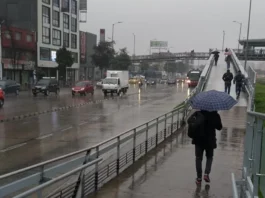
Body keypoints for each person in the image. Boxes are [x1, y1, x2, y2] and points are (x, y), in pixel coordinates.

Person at [192, 110, 223, 185]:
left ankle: (199, 178)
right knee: (209, 157)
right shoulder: (215, 115)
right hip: (210, 140)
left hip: (198, 140)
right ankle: (206, 174)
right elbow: (219, 127)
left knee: (198, 158)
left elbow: (190, 122)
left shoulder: (198, 114)